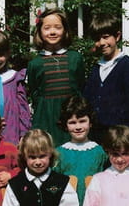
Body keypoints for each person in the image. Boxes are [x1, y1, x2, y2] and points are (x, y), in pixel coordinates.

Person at [53, 95, 108, 206]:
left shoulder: (99, 152)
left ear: (90, 122)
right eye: (72, 122)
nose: (78, 127)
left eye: (82, 121)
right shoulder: (59, 153)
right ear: (65, 125)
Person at [27, 8, 86, 146]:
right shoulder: (35, 63)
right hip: (45, 118)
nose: (52, 32)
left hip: (71, 117)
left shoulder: (75, 58)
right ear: (39, 32)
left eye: (57, 27)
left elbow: (81, 87)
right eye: (47, 28)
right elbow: (35, 93)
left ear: (65, 30)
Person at [83, 14, 129, 141]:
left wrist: (126, 133)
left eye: (105, 37)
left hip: (119, 135)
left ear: (117, 36)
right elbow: (88, 99)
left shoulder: (127, 65)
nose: (102, 43)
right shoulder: (96, 67)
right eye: (97, 39)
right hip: (96, 134)